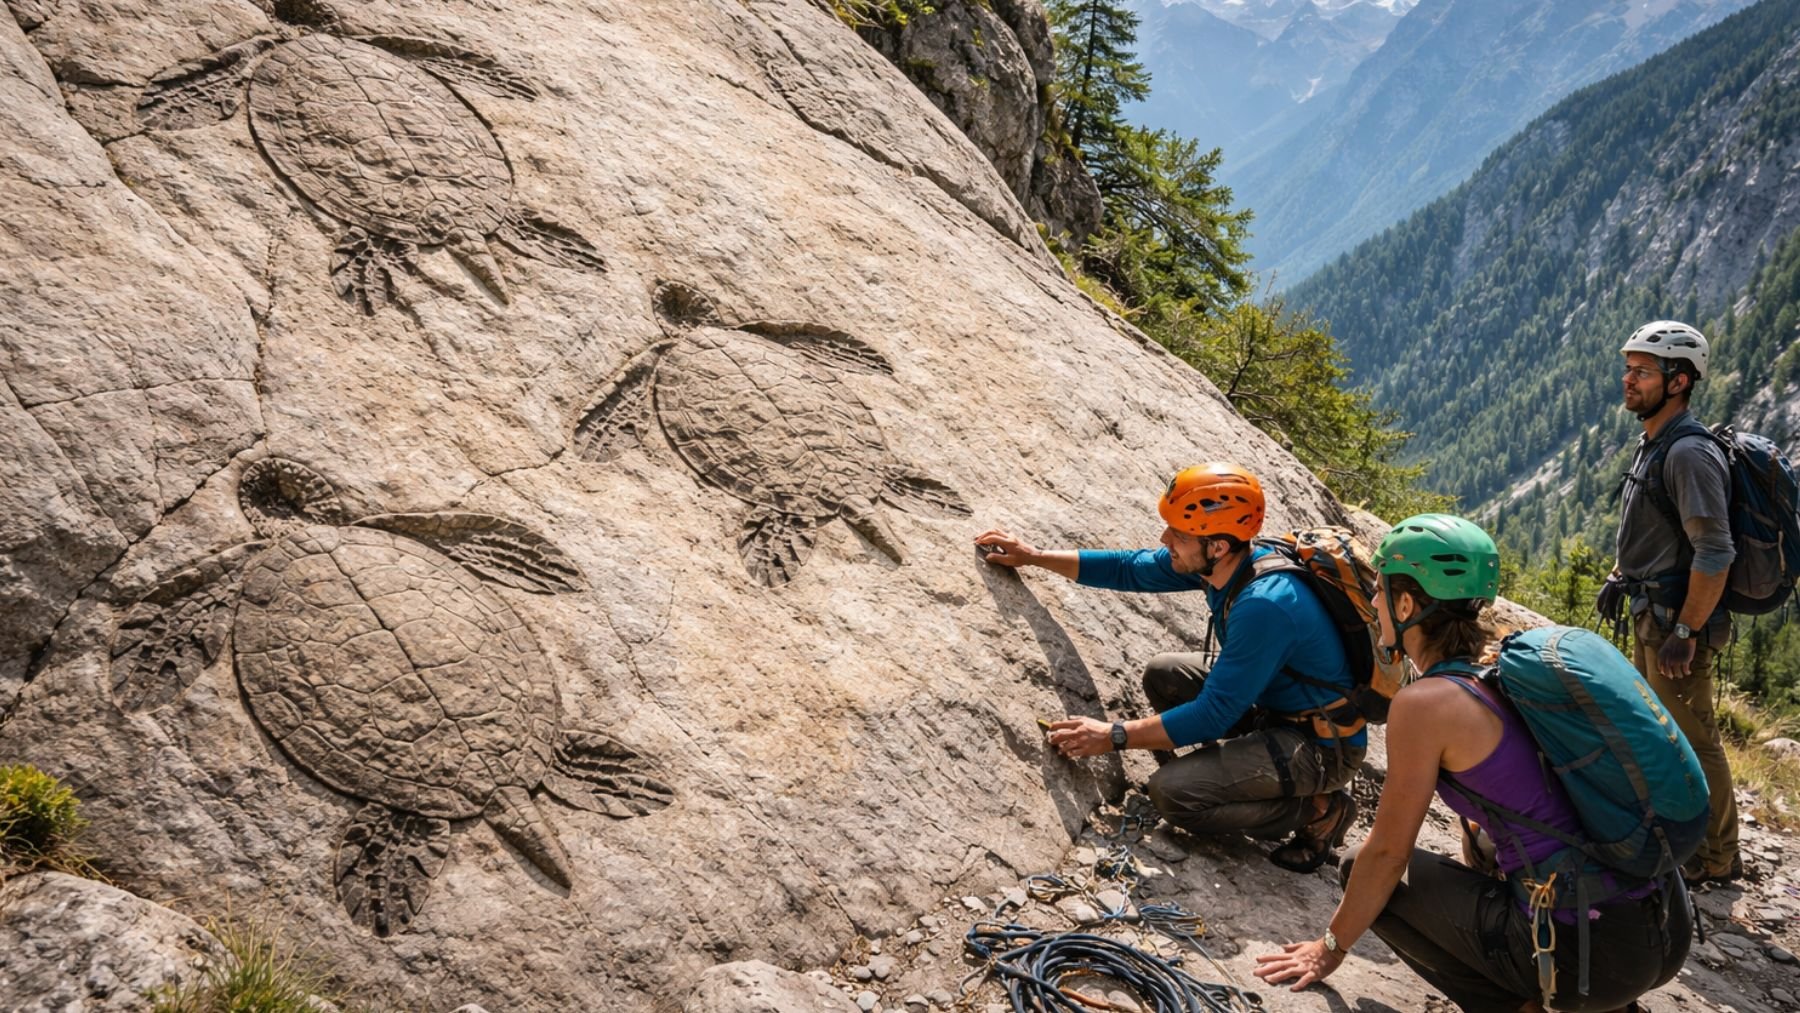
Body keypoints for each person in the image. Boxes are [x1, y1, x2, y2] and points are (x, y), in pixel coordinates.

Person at [1254, 515, 1691, 1013]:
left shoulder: (1426, 704)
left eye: (1380, 591)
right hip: (1663, 929)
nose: (1373, 603)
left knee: (1360, 868)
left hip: (1590, 957)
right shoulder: (1509, 668)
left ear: (1405, 604)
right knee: (1485, 846)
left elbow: (1386, 856)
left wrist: (1327, 950)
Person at [976, 462, 1364, 872]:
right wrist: (1035, 557)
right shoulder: (1231, 561)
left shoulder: (1265, 604)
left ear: (1216, 546)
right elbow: (1129, 568)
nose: (1165, 540)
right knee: (1166, 674)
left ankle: (1318, 809)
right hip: (1276, 709)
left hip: (1320, 745)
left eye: (1178, 535)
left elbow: (1215, 715)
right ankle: (1232, 775)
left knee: (1173, 794)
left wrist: (1114, 736)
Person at [1594, 320, 1740, 885]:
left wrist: (1686, 631)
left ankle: (1717, 857)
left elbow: (1715, 550)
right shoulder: (1655, 440)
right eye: (1628, 368)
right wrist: (1619, 572)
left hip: (1675, 624)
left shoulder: (1688, 454)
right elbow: (1657, 533)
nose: (1628, 379)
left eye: (1642, 371)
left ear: (1678, 381)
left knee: (1694, 741)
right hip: (1651, 613)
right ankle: (1682, 836)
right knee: (1660, 732)